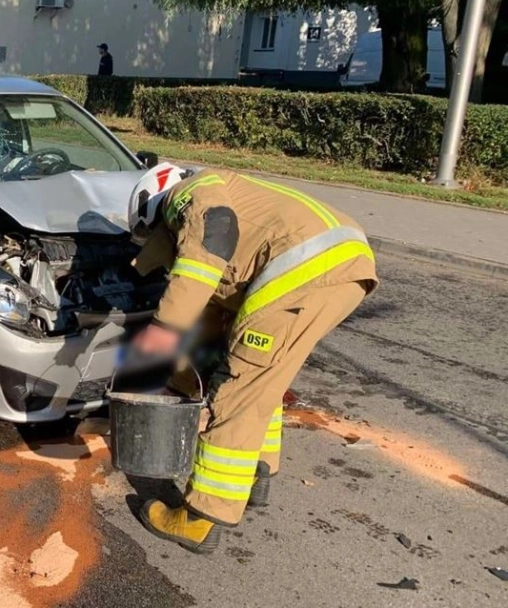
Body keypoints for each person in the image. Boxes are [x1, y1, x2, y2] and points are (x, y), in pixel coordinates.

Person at [126, 163, 379, 554]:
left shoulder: (188, 193)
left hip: (305, 270)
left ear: (153, 201)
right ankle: (257, 472)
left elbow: (209, 245)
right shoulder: (233, 189)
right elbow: (218, 302)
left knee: (237, 388)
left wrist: (165, 328)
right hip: (341, 263)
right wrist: (181, 373)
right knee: (265, 378)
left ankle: (200, 519)